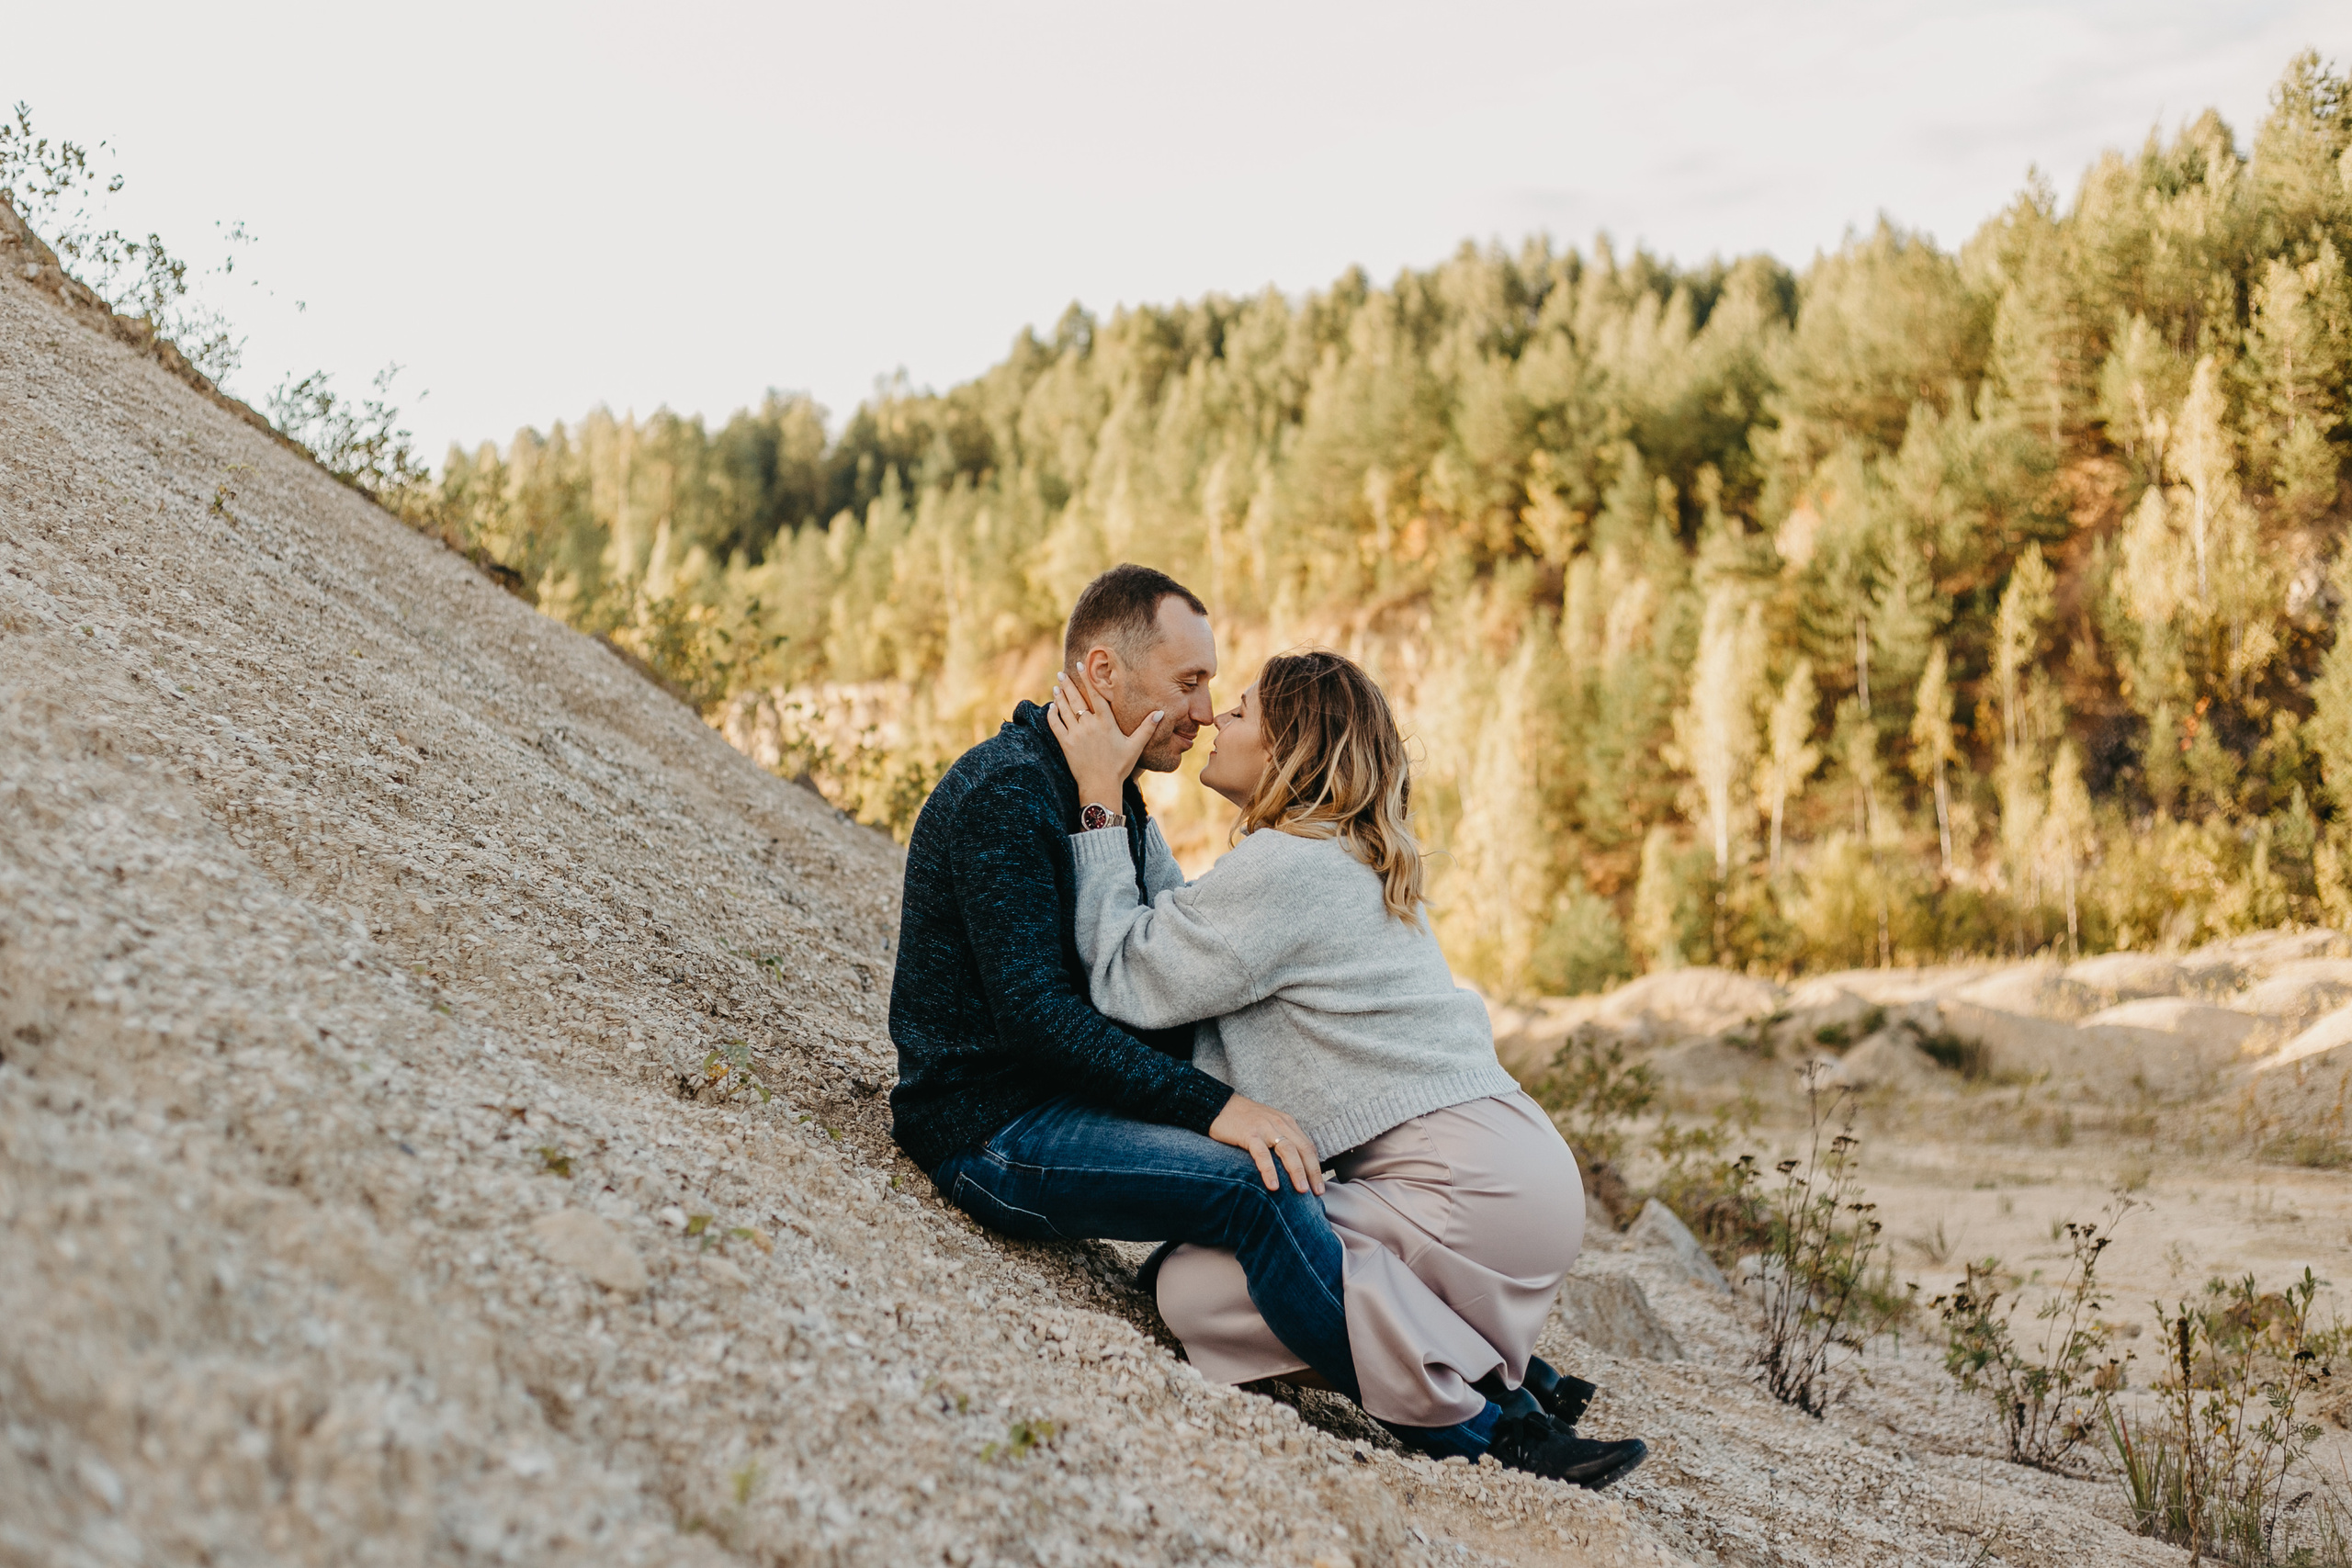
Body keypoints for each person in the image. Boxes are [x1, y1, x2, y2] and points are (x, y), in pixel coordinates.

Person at [1046, 647, 1646, 1485]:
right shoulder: (1339, 856)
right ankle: (1498, 1372)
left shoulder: (1288, 871)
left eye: (1245, 708)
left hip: (1458, 1187)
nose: (1219, 715)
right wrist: (1130, 797)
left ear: (1290, 745)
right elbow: (1184, 924)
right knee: (1253, 1251)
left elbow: (1126, 975)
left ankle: (1483, 1414)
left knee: (1190, 1287)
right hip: (1510, 1168)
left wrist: (1100, 802)